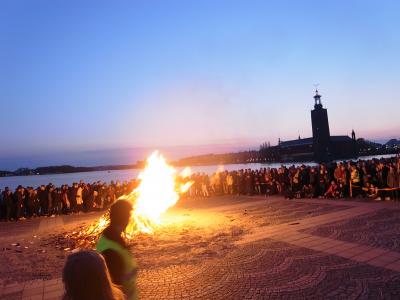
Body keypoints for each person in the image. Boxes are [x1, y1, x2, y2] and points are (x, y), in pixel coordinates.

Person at [96, 200, 138, 300]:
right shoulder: (110, 249)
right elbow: (114, 284)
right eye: (128, 216)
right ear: (124, 218)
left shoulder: (113, 238)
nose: (129, 219)